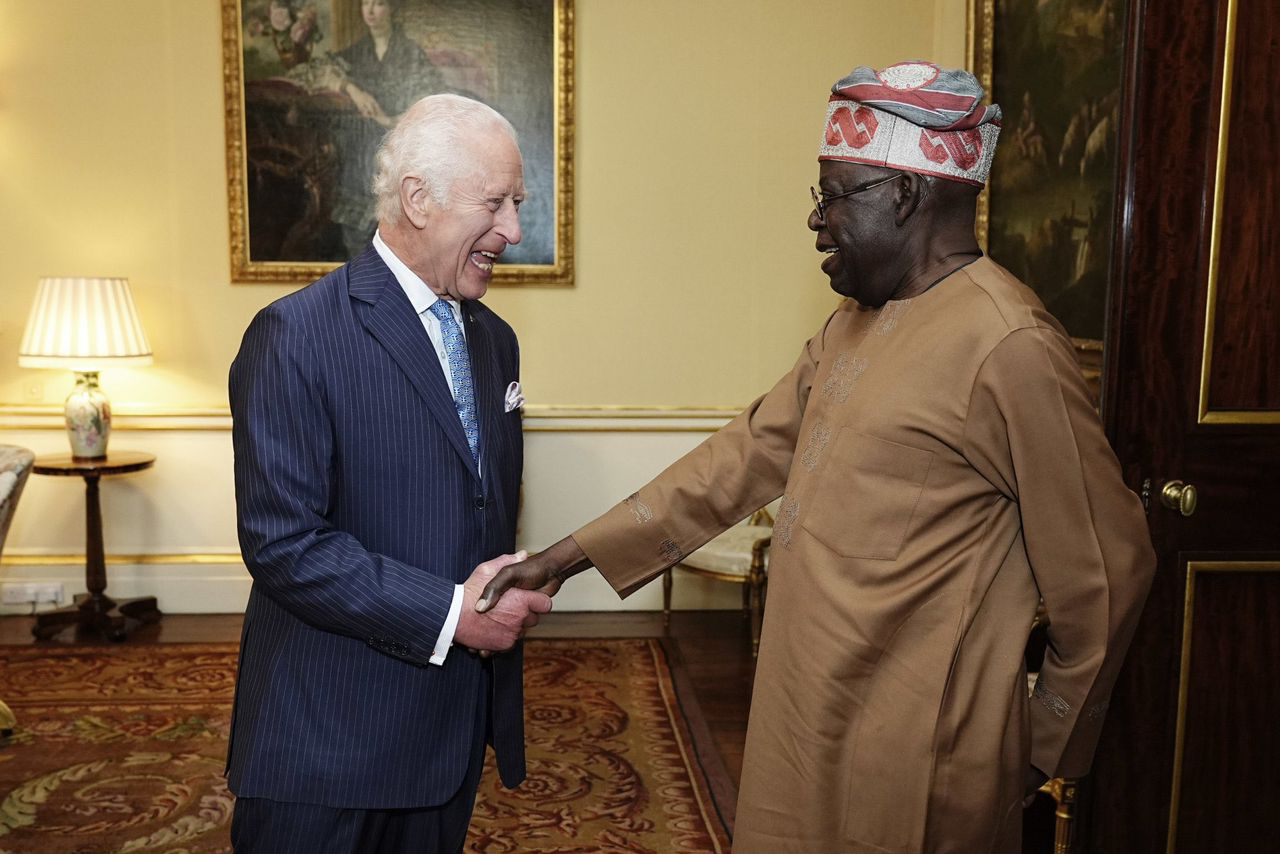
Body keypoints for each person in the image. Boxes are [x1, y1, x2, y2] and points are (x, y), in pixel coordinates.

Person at [476, 61, 1156, 852]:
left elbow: (1108, 570)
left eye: (835, 194)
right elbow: (742, 457)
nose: (817, 221)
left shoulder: (1010, 344)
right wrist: (563, 559)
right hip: (805, 713)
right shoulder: (854, 322)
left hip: (914, 756)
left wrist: (1039, 744)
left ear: (903, 193)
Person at [227, 93, 549, 853]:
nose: (513, 229)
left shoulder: (495, 340)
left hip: (448, 737)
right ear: (418, 199)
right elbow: (283, 545)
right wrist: (452, 615)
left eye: (517, 203)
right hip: (328, 748)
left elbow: (476, 501)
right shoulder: (295, 336)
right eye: (496, 202)